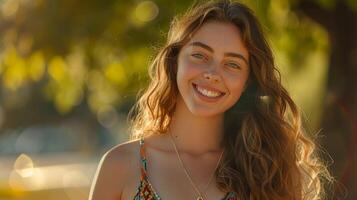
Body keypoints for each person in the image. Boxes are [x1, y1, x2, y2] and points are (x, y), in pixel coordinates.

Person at [89, 0, 333, 199]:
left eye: (232, 64)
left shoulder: (271, 168)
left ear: (248, 80)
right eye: (199, 55)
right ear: (175, 62)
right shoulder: (120, 166)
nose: (212, 74)